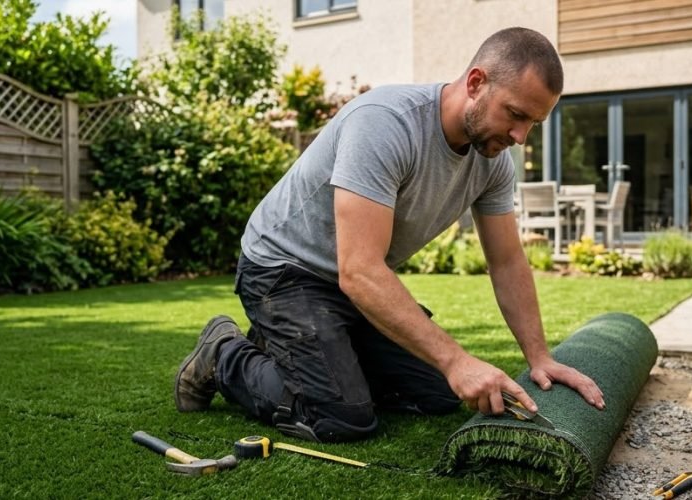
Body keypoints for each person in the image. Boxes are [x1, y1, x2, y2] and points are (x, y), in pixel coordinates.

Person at [174, 27, 605, 443]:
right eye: (515, 114)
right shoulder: (385, 124)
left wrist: (540, 357)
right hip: (284, 272)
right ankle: (224, 353)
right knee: (342, 416)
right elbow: (359, 270)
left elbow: (507, 260)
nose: (520, 137)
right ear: (476, 82)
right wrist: (456, 359)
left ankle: (301, 347)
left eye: (533, 123)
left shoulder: (492, 162)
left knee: (437, 394)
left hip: (350, 284)